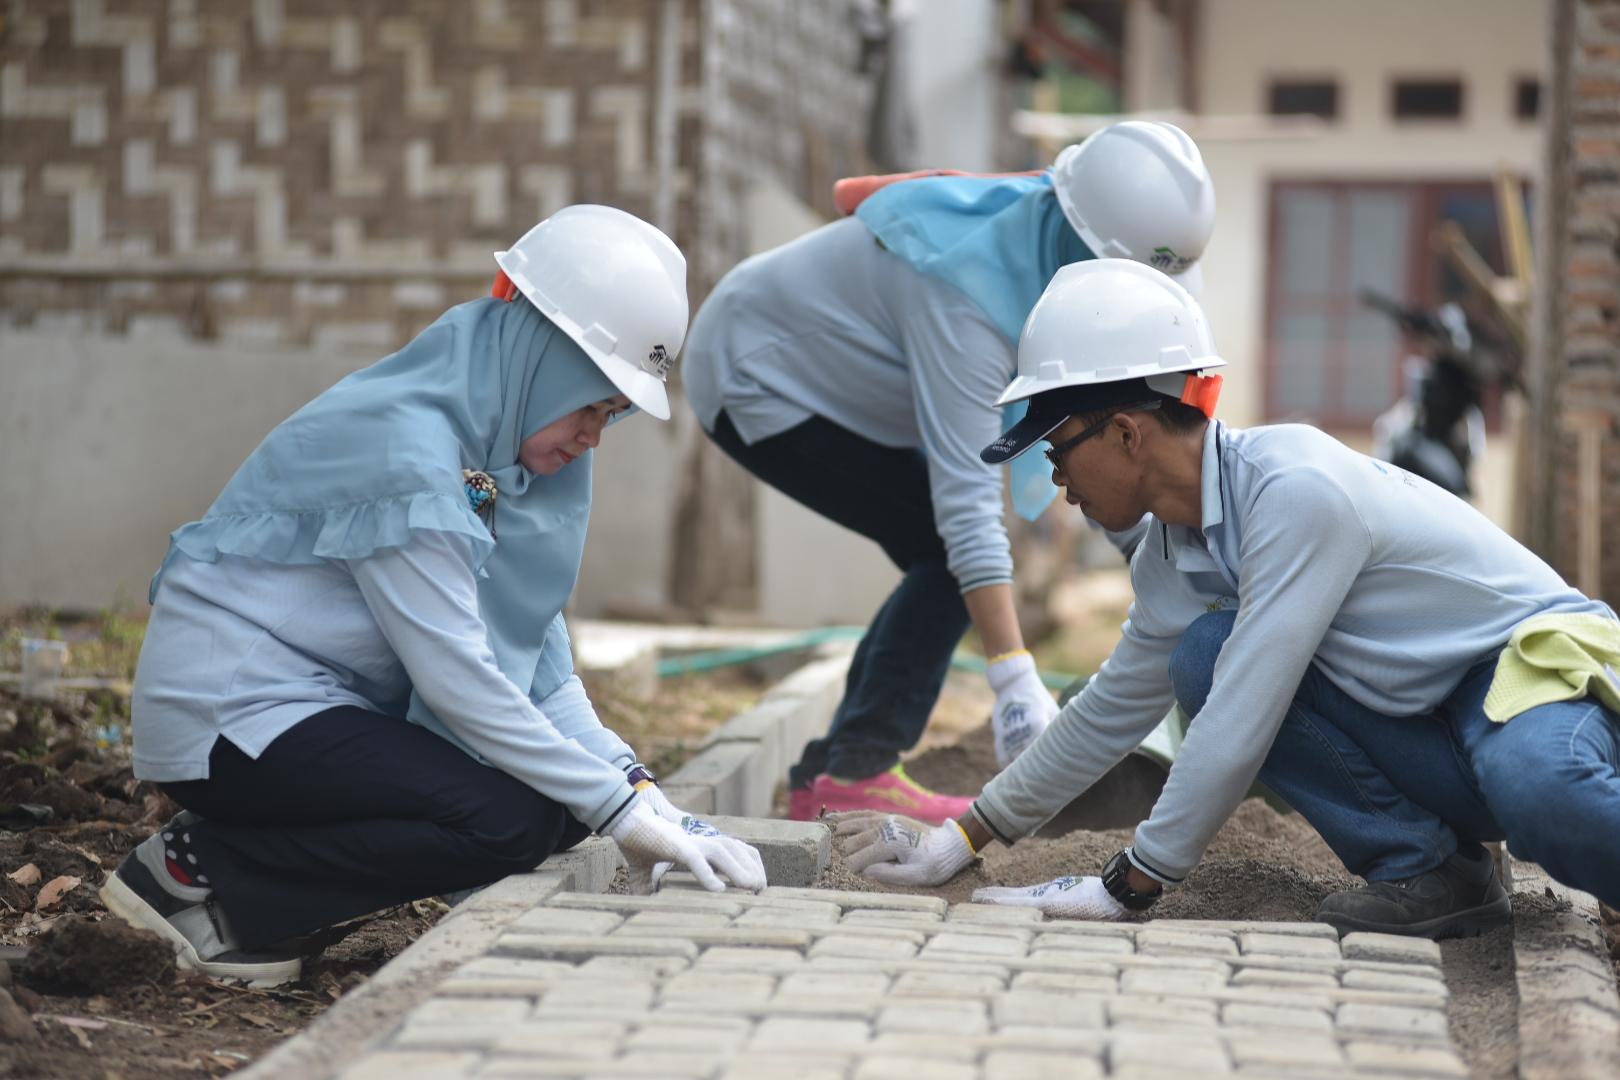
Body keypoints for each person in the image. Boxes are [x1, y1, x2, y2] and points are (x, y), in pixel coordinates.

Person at [838, 258, 1620, 939]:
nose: (1058, 482)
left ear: (1127, 434)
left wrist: (1131, 882)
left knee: (1546, 796)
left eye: (1058, 449)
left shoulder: (1296, 490)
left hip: (1528, 679)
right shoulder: (1175, 554)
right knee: (1201, 657)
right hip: (1432, 726)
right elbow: (1109, 711)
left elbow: (1248, 707)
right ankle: (1436, 875)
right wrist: (962, 838)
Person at [102, 206, 766, 987]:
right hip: (231, 717)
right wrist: (618, 817)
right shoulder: (409, 446)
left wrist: (647, 798)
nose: (594, 435)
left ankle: (249, 889)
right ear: (541, 356)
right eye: (590, 401)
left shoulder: (504, 459)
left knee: (550, 807)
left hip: (306, 713)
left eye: (612, 415)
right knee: (512, 818)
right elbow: (459, 681)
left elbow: (542, 671)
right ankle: (202, 875)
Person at [682, 122, 1217, 823]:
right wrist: (1013, 677)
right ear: (1086, 238)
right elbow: (968, 508)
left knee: (936, 551)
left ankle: (832, 775)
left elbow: (1124, 439)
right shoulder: (967, 290)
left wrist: (1184, 571)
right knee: (944, 547)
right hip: (757, 371)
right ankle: (856, 770)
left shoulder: (1109, 252)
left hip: (837, 372)